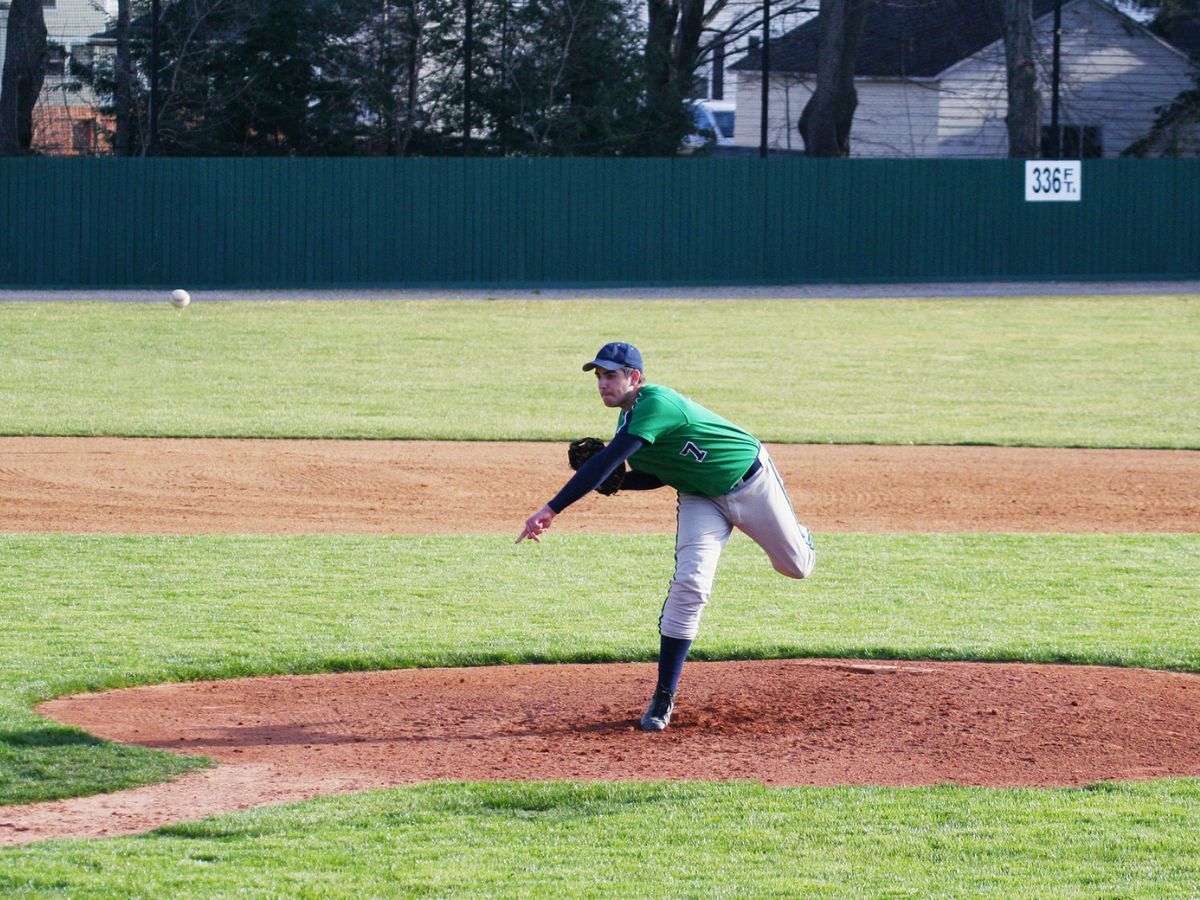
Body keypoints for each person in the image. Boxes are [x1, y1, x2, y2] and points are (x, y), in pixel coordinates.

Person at [517, 341, 816, 732]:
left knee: (796, 568)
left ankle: (800, 537)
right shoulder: (629, 426)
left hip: (749, 479)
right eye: (599, 376)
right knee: (690, 584)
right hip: (699, 497)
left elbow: (609, 460)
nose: (603, 383)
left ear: (634, 377)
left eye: (611, 375)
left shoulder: (657, 404)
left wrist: (552, 508)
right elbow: (656, 473)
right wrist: (618, 485)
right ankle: (663, 697)